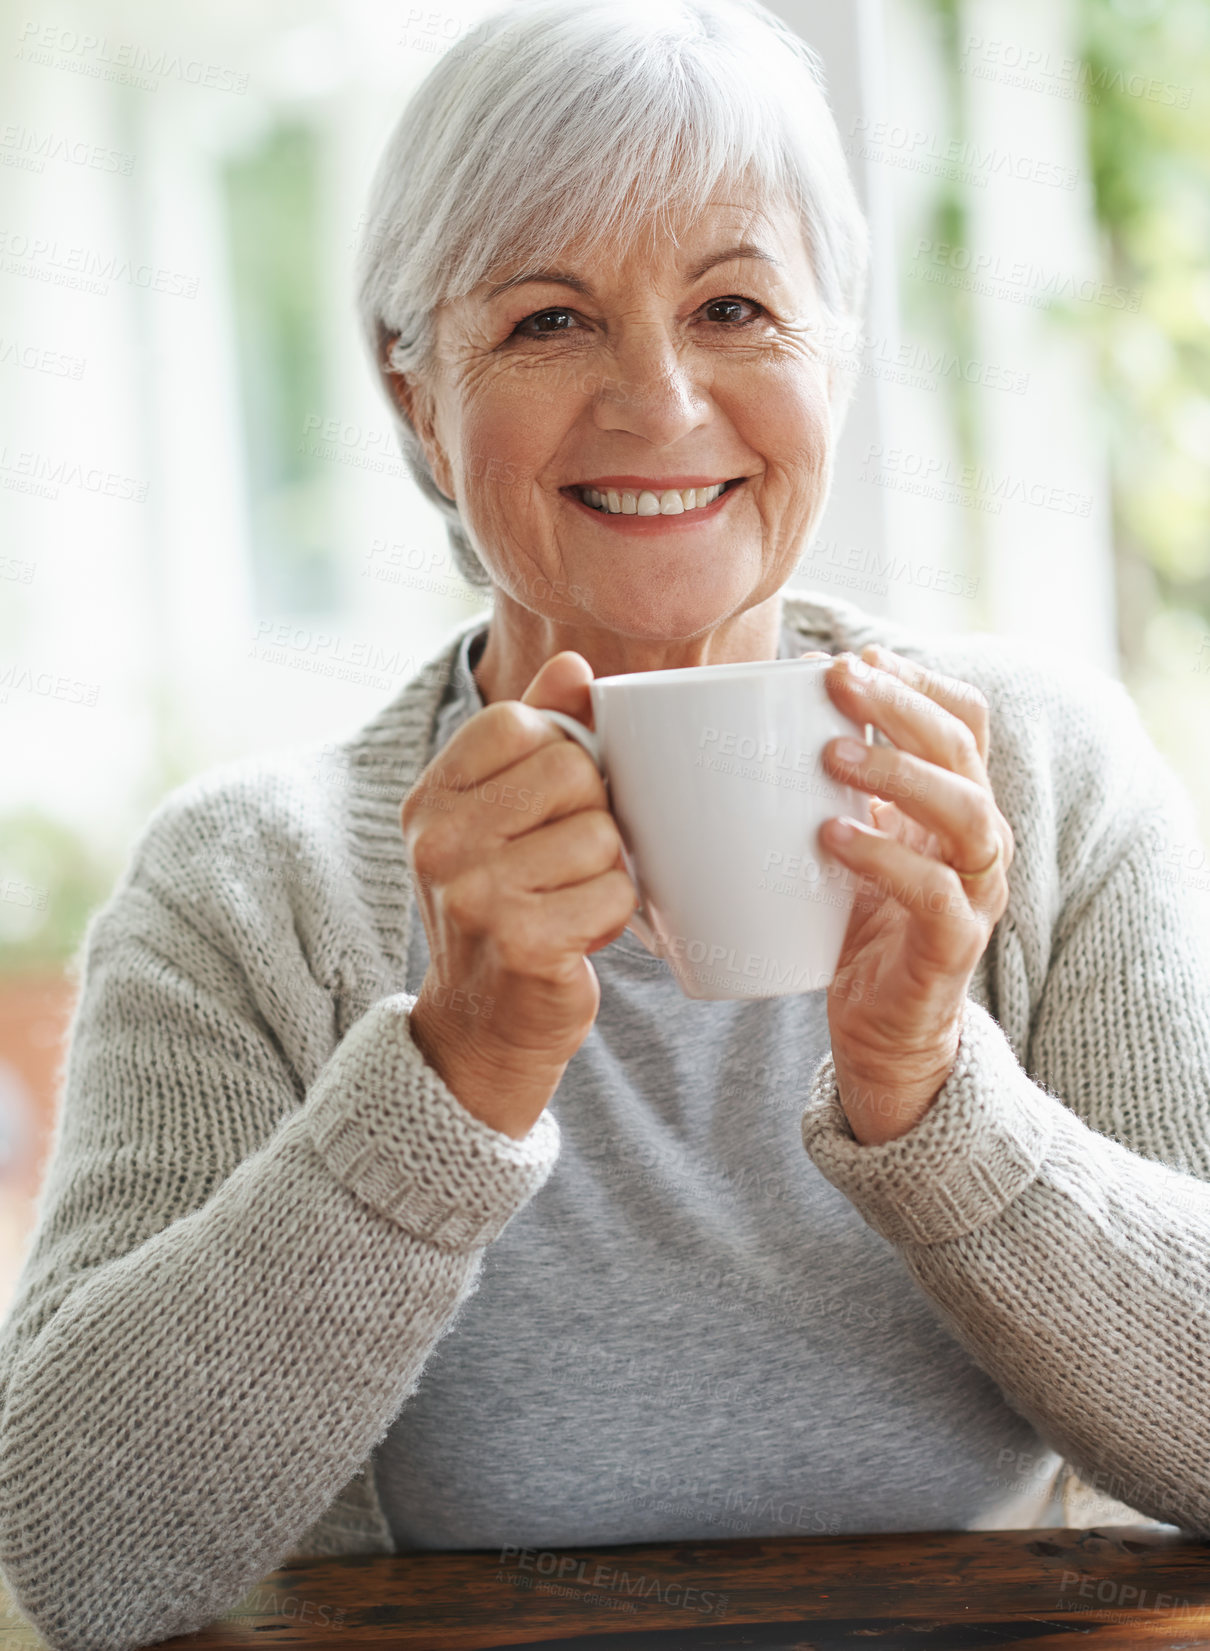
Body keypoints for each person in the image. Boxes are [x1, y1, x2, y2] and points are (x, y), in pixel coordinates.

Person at [3, 1, 1210, 1646]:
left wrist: (930, 1096)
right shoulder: (248, 883)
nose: (657, 405)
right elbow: (81, 1558)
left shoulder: (1039, 776)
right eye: (551, 321)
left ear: (833, 357)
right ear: (414, 391)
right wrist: (454, 1072)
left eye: (733, 306)